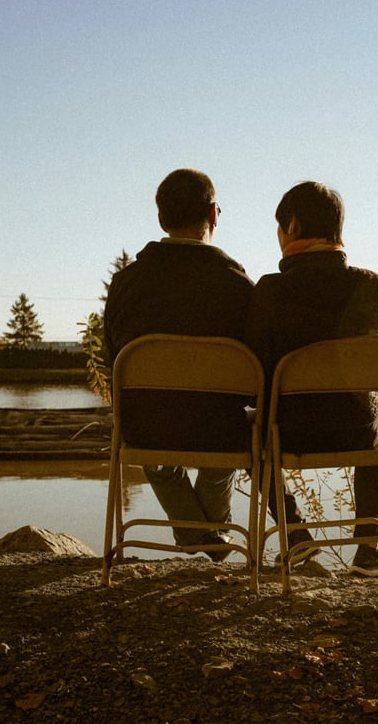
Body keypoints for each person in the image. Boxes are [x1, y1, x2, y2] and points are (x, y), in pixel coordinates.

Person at [245, 180, 378, 577]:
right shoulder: (369, 284)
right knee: (374, 416)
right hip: (355, 433)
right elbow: (371, 359)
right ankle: (368, 547)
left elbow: (254, 372)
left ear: (292, 226)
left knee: (248, 432)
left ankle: (296, 535)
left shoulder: (269, 289)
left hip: (287, 432)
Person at [104, 168, 254, 560]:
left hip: (145, 430)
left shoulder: (126, 284)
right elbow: (257, 373)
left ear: (161, 220)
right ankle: (207, 533)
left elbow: (113, 368)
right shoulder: (238, 286)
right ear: (213, 215)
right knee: (238, 423)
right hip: (219, 433)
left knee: (150, 439)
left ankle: (196, 534)